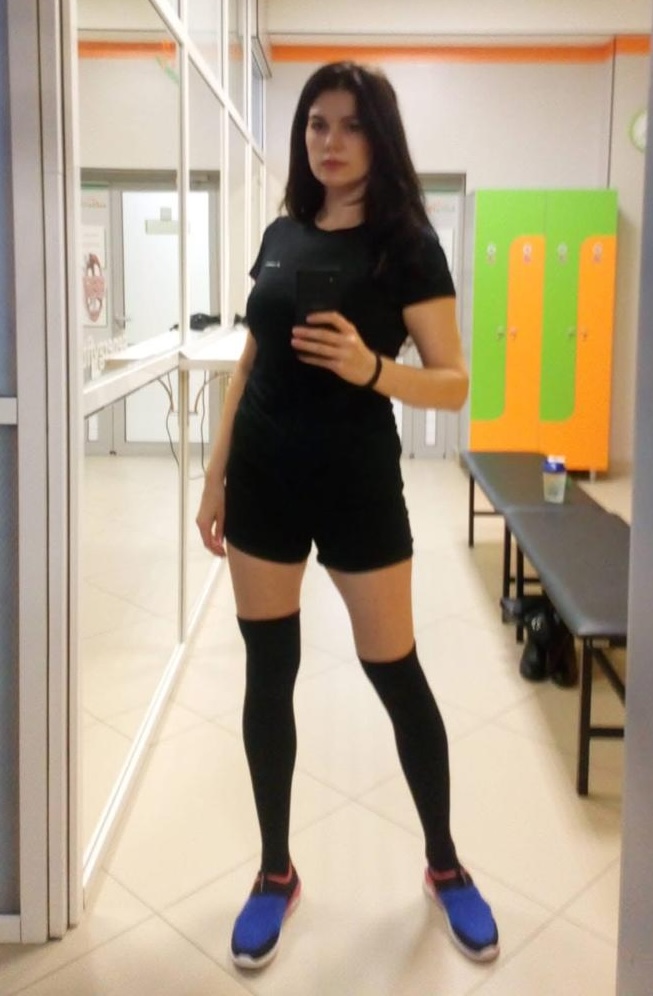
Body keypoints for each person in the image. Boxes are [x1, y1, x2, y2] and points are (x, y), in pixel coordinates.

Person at [196, 60, 499, 971]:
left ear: (380, 137)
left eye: (351, 125)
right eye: (316, 124)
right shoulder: (281, 231)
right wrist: (214, 474)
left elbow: (453, 383)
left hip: (357, 483)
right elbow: (251, 362)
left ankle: (444, 864)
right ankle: (274, 871)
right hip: (263, 479)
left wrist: (370, 367)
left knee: (395, 671)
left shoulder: (406, 244)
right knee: (267, 674)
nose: (330, 141)